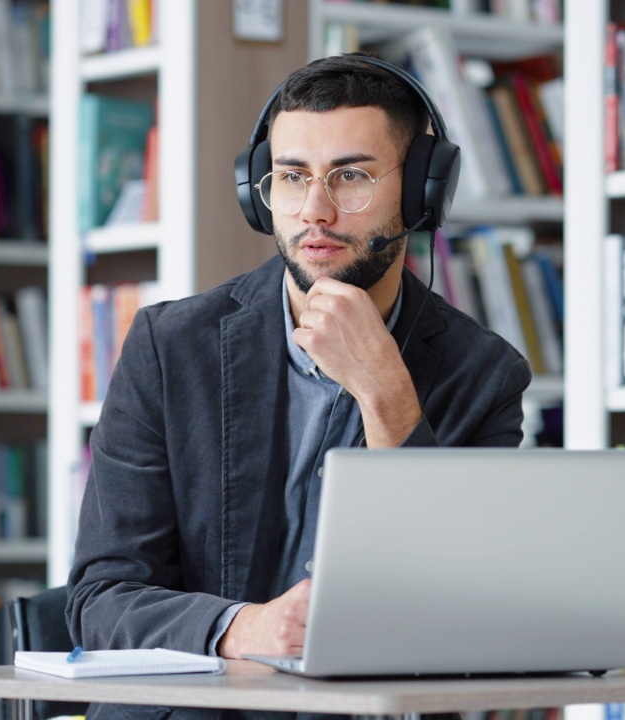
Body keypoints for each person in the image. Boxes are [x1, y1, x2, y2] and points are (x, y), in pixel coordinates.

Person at [66, 53, 532, 720]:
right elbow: (100, 601)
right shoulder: (170, 348)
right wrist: (243, 628)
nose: (315, 210)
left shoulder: (483, 374)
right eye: (292, 177)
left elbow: (463, 616)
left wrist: (386, 396)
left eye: (351, 176)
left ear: (422, 193)